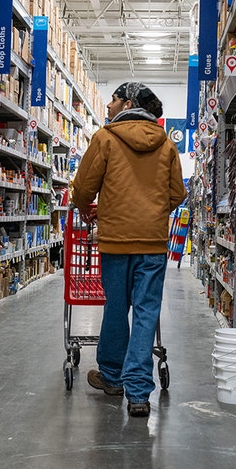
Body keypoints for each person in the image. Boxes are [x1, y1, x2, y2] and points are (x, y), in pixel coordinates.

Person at [71, 82, 187, 417]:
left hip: (115, 239)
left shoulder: (105, 138)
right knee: (147, 313)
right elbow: (177, 193)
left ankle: (111, 376)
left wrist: (82, 204)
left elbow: (84, 187)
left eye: (113, 99)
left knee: (116, 307)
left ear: (127, 103)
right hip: (152, 242)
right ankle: (138, 393)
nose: (108, 105)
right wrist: (152, 211)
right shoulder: (165, 143)